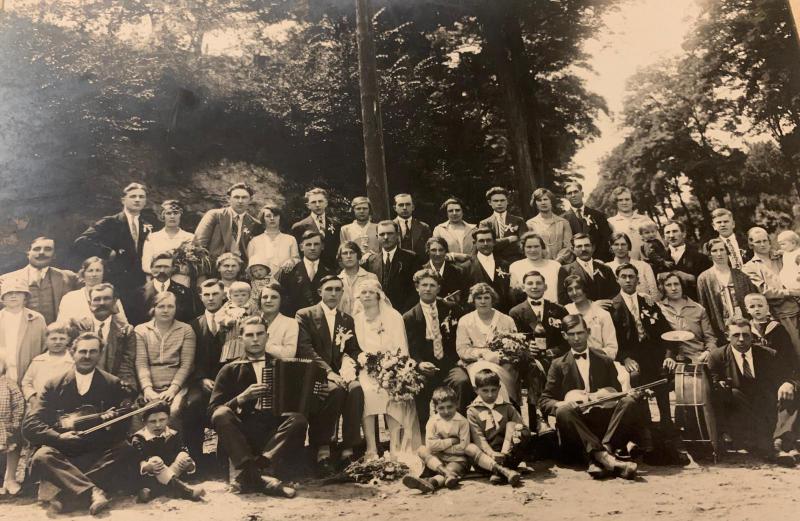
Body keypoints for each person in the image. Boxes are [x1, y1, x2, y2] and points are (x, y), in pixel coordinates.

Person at [23, 331, 137, 515]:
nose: (87, 356)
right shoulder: (54, 384)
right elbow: (30, 425)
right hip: (64, 453)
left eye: (93, 352)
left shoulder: (112, 383)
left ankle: (67, 497)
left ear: (100, 354)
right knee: (42, 456)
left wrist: (109, 423)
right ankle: (93, 491)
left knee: (126, 449)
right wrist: (59, 437)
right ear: (72, 352)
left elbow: (121, 428)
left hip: (97, 453)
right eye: (82, 351)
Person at [208, 316, 305, 497]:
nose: (255, 339)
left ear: (267, 337)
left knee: (298, 419)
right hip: (242, 435)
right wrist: (241, 398)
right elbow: (212, 411)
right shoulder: (230, 369)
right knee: (221, 414)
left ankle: (253, 472)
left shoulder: (282, 366)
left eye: (260, 334)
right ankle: (259, 476)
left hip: (272, 435)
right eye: (250, 335)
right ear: (241, 339)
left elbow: (297, 403)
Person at [538, 314, 641, 480]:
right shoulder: (557, 364)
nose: (576, 338)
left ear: (588, 332)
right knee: (563, 411)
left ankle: (599, 456)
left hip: (604, 428)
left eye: (580, 333)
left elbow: (615, 394)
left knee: (628, 401)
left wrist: (626, 395)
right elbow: (544, 401)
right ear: (564, 336)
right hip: (578, 429)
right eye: (571, 334)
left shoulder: (604, 360)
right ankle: (608, 459)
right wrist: (561, 404)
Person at [296, 275, 364, 472]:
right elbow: (305, 349)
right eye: (329, 289)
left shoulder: (346, 319)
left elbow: (352, 349)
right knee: (335, 390)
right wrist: (328, 372)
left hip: (342, 372)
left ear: (342, 293)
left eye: (337, 290)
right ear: (320, 292)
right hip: (316, 373)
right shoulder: (305, 315)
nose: (333, 294)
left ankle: (348, 449)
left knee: (356, 389)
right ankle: (323, 447)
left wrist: (350, 364)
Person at [708, 318, 799, 463]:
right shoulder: (717, 357)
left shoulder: (769, 354)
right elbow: (713, 385)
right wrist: (720, 385)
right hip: (741, 410)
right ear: (727, 336)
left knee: (791, 391)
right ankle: (779, 446)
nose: (741, 339)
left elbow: (789, 375)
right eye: (736, 335)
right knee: (730, 394)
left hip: (767, 405)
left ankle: (780, 443)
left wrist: (788, 383)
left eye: (746, 335)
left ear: (752, 336)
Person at [403, 386, 518, 494]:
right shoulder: (432, 421)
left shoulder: (462, 421)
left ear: (456, 404)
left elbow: (463, 447)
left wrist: (440, 446)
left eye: (449, 407)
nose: (446, 411)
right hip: (436, 460)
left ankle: (432, 482)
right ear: (435, 407)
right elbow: (430, 446)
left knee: (469, 450)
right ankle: (443, 476)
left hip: (457, 460)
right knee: (422, 449)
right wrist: (452, 441)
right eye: (441, 408)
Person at [352, 279, 420, 459]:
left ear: (378, 295)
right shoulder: (357, 319)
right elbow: (355, 348)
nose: (367, 296)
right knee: (367, 392)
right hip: (367, 368)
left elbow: (401, 347)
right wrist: (364, 359)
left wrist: (394, 366)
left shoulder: (393, 316)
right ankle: (371, 447)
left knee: (391, 392)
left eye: (371, 292)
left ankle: (394, 445)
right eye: (363, 293)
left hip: (392, 366)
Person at [610, 263, 674, 425]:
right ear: (617, 280)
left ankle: (667, 423)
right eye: (623, 277)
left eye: (631, 276)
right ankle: (645, 426)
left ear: (638, 279)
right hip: (630, 356)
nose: (628, 280)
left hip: (652, 353)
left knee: (663, 372)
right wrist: (624, 358)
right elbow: (611, 340)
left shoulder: (648, 302)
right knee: (635, 376)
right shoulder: (612, 306)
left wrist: (668, 355)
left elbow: (665, 331)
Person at [74, 183, 152, 312]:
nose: (137, 200)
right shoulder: (110, 222)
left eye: (141, 197)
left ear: (145, 201)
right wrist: (107, 252)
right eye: (133, 196)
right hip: (116, 282)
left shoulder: (149, 224)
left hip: (141, 284)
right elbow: (82, 241)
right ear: (123, 200)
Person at [508, 270, 568, 431]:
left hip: (555, 357)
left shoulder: (559, 310)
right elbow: (513, 341)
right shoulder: (515, 312)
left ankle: (564, 417)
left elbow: (566, 340)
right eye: (530, 283)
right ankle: (539, 418)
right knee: (534, 368)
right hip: (528, 360)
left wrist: (552, 352)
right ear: (523, 287)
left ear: (545, 286)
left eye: (538, 283)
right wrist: (527, 347)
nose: (534, 287)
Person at [403, 269, 463, 428]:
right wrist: (419, 364)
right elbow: (410, 347)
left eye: (432, 285)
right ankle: (424, 430)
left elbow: (460, 338)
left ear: (438, 288)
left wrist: (458, 361)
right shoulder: (410, 317)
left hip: (450, 364)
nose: (428, 289)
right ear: (417, 287)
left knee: (461, 381)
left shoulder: (452, 309)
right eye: (424, 285)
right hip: (426, 367)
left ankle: (459, 427)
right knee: (418, 384)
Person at [135, 292, 196, 432]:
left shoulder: (186, 330)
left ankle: (173, 445)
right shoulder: (141, 330)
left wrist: (173, 389)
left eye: (170, 306)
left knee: (172, 412)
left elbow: (186, 364)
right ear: (153, 308)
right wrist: (147, 389)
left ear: (176, 308)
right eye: (161, 306)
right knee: (139, 416)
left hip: (176, 388)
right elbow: (141, 363)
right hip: (149, 388)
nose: (166, 310)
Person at [452, 283, 519, 410]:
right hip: (474, 363)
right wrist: (481, 354)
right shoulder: (465, 320)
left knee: (509, 372)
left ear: (492, 299)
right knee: (481, 374)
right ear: (473, 300)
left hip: (501, 362)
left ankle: (507, 410)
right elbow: (461, 349)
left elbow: (515, 346)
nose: (483, 301)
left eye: (486, 298)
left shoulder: (506, 320)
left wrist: (499, 356)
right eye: (479, 298)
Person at [186, 279, 228, 461]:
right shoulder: (193, 325)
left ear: (224, 295)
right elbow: (190, 359)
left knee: (230, 408)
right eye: (207, 295)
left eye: (215, 294)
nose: (211, 298)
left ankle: (224, 458)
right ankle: (196, 460)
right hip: (202, 383)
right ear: (201, 297)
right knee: (192, 406)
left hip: (228, 382)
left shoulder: (235, 321)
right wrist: (201, 378)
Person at [130, 401, 205, 502]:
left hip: (172, 472)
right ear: (145, 422)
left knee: (183, 455)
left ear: (168, 419)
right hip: (150, 476)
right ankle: (187, 491)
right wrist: (148, 467)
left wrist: (189, 465)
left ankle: (156, 491)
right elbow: (139, 460)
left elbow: (182, 450)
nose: (158, 425)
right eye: (152, 421)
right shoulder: (139, 438)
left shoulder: (173, 434)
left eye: (162, 420)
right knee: (155, 460)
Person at [744, 227, 800, 360]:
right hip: (781, 313)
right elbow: (765, 291)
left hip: (797, 306)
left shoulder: (782, 256)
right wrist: (791, 292)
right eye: (758, 242)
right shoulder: (749, 267)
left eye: (765, 240)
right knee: (795, 350)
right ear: (751, 244)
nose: (763, 244)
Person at [466, 369, 529, 486]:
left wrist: (516, 434)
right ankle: (501, 471)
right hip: (486, 456)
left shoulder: (507, 407)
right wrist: (491, 453)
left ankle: (501, 470)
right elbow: (478, 437)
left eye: (493, 390)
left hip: (507, 454)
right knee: (470, 447)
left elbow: (521, 426)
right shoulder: (472, 411)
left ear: (499, 388)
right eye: (485, 391)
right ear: (476, 390)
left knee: (516, 428)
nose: (490, 395)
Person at [2, 236, 79, 324]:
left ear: (54, 255)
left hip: (57, 330)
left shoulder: (69, 277)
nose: (42, 252)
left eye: (48, 249)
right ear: (28, 252)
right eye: (37, 249)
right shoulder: (6, 279)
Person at [698, 238, 759, 343]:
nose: (719, 254)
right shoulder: (704, 278)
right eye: (714, 251)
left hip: (743, 324)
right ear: (709, 254)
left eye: (722, 249)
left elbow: (752, 301)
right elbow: (704, 308)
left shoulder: (741, 275)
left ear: (727, 251)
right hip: (720, 328)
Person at [81, 283, 138, 389]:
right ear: (89, 303)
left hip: (113, 385)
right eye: (97, 299)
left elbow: (126, 367)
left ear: (114, 301)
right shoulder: (79, 328)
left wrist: (125, 389)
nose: (102, 303)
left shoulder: (126, 331)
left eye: (106, 299)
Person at [657, 272, 717, 363]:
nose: (674, 288)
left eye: (676, 284)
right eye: (668, 285)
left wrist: (708, 352)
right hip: (671, 360)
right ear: (663, 288)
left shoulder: (698, 309)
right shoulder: (659, 309)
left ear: (682, 286)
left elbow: (710, 338)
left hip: (697, 357)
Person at [194, 182, 262, 262]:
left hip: (241, 266)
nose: (240, 201)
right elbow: (198, 245)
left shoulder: (255, 224)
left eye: (244, 197)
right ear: (228, 199)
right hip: (214, 265)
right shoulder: (214, 215)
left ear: (250, 200)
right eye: (236, 197)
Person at [362, 220, 418, 313]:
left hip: (403, 312)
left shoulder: (411, 258)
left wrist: (404, 313)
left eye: (390, 233)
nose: (386, 237)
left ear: (397, 235)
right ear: (377, 237)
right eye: (382, 234)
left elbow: (416, 290)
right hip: (377, 313)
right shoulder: (370, 261)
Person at [276, 230, 336, 316]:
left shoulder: (330, 273)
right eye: (308, 244)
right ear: (301, 247)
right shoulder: (289, 272)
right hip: (294, 320)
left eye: (316, 244)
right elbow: (282, 301)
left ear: (322, 246)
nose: (312, 248)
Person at [0, 278, 47, 388]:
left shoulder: (36, 319)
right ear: (3, 297)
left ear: (25, 296)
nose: (13, 296)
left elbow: (45, 348)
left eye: (18, 293)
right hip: (3, 376)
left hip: (29, 376)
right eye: (9, 293)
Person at [57, 257, 128, 324]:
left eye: (98, 270)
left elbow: (123, 324)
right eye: (90, 271)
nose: (94, 274)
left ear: (103, 273)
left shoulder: (110, 297)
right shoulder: (70, 298)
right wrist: (73, 322)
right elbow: (61, 325)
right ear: (83, 273)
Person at [556, 233, 619, 307]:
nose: (583, 249)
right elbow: (563, 299)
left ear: (593, 247)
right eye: (579, 246)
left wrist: (607, 305)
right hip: (581, 312)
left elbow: (615, 293)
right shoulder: (565, 270)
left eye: (587, 245)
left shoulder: (605, 269)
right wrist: (591, 305)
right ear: (573, 249)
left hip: (605, 311)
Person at [138, 251, 200, 325]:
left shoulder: (185, 293)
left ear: (173, 269)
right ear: (151, 268)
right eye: (158, 267)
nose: (162, 270)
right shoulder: (139, 293)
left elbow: (190, 320)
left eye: (166, 267)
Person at [461, 227, 513, 313]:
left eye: (488, 240)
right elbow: (464, 297)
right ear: (475, 243)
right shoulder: (466, 268)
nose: (485, 244)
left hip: (502, 313)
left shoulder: (505, 265)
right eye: (481, 241)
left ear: (494, 242)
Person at [21, 321, 75, 402]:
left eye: (62, 339)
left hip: (65, 405)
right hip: (39, 404)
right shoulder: (38, 361)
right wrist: (33, 399)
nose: (58, 342)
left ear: (68, 340)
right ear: (46, 340)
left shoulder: (73, 362)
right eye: (53, 339)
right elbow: (26, 383)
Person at [561, 181, 613, 262]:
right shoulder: (563, 219)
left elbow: (606, 239)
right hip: (575, 262)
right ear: (566, 197)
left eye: (575, 192)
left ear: (582, 194)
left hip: (598, 260)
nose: (573, 195)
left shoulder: (598, 215)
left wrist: (599, 259)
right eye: (569, 193)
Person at [140, 200, 194, 275]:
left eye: (176, 213)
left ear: (180, 215)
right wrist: (160, 273)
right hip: (157, 277)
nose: (172, 216)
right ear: (163, 216)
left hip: (182, 278)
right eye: (168, 213)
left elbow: (193, 265)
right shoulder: (152, 238)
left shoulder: (190, 237)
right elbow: (146, 265)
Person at [246, 202, 300, 276]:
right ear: (263, 219)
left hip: (286, 278)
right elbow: (250, 265)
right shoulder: (254, 241)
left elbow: (297, 259)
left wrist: (292, 261)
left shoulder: (290, 239)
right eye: (268, 216)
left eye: (275, 215)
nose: (272, 218)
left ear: (280, 217)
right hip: (262, 280)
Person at [745, 293, 798, 368]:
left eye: (760, 306)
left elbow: (788, 351)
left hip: (778, 367)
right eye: (752, 306)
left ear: (767, 308)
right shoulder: (748, 330)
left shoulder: (778, 328)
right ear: (747, 310)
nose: (757, 309)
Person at [662, 220, 711, 300]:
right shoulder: (660, 259)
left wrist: (691, 278)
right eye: (667, 232)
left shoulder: (699, 257)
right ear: (664, 236)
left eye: (675, 231)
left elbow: (709, 282)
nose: (671, 235)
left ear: (684, 234)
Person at [291, 187, 340, 267]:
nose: (317, 205)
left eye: (320, 201)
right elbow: (297, 253)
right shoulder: (299, 227)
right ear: (308, 205)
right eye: (313, 202)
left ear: (326, 203)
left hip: (332, 269)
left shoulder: (336, 225)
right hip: (309, 269)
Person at [509, 232, 561, 304]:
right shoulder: (515, 267)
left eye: (536, 246)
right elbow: (514, 295)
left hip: (554, 307)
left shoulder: (555, 266)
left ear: (542, 247)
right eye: (529, 247)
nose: (533, 250)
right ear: (523, 249)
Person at [479, 187, 527, 264]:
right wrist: (509, 239)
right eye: (495, 201)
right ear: (489, 202)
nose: (499, 203)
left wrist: (497, 242)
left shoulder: (518, 221)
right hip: (493, 261)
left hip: (516, 260)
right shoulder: (485, 223)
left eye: (502, 200)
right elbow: (488, 244)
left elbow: (524, 243)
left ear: (507, 201)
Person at [606, 232, 659, 301]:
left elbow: (654, 291)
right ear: (611, 247)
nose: (620, 248)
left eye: (623, 244)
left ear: (629, 246)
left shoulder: (643, 266)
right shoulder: (606, 268)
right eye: (616, 244)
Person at [606, 186, 654, 261]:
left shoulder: (645, 219)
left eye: (627, 199)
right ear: (616, 203)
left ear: (632, 201)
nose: (624, 202)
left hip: (649, 262)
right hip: (625, 265)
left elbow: (658, 242)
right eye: (620, 200)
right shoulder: (610, 222)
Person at [525, 188, 572, 263]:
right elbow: (530, 247)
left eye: (545, 199)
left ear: (551, 201)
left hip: (561, 264)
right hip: (539, 263)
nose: (543, 203)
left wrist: (558, 261)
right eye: (539, 200)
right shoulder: (530, 223)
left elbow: (568, 246)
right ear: (535, 203)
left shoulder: (563, 222)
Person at [0, 359, 24, 497]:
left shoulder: (9, 383)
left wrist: (15, 422)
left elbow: (18, 403)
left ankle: (10, 479)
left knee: (12, 450)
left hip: (7, 426)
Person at [336, 241, 379, 316]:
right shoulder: (336, 281)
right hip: (342, 322)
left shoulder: (371, 277)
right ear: (340, 258)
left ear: (358, 255)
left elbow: (377, 306)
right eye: (345, 253)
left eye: (352, 252)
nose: (349, 256)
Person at [422, 237, 464, 304]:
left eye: (441, 250)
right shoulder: (421, 272)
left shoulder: (457, 271)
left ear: (446, 252)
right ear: (428, 251)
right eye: (433, 250)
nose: (438, 254)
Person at [217, 281, 252, 362]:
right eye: (236, 295)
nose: (240, 298)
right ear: (230, 297)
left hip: (245, 338)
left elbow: (257, 318)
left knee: (245, 358)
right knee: (231, 358)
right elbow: (219, 316)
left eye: (243, 295)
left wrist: (249, 320)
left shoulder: (251, 307)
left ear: (249, 296)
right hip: (231, 337)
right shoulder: (227, 307)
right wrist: (227, 321)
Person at [432, 197, 475, 262]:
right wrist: (454, 255)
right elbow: (435, 253)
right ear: (446, 213)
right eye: (450, 211)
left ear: (462, 211)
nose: (454, 213)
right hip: (449, 266)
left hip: (471, 266)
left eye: (457, 210)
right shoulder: (439, 230)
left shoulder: (473, 229)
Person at [393, 193, 432, 260]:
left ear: (413, 207)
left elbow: (429, 251)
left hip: (419, 264)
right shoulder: (389, 227)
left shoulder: (424, 227)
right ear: (395, 208)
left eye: (408, 204)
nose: (404, 208)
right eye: (401, 205)